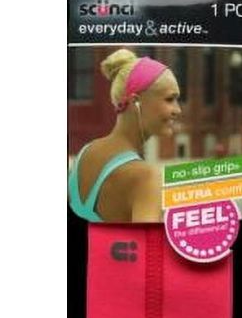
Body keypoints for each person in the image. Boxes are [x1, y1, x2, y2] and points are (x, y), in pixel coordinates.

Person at [68, 49, 182, 222]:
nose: (177, 110)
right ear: (135, 101)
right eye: (170, 99)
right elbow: (146, 240)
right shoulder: (146, 178)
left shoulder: (85, 153)